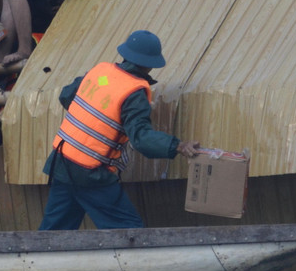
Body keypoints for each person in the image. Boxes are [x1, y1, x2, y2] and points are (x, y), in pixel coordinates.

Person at [38, 30, 202, 231]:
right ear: (149, 64)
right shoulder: (133, 92)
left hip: (62, 161)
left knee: (54, 232)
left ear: (125, 54)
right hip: (91, 173)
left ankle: (35, 253)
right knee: (128, 230)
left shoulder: (101, 73)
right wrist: (179, 146)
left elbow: (66, 95)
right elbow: (141, 138)